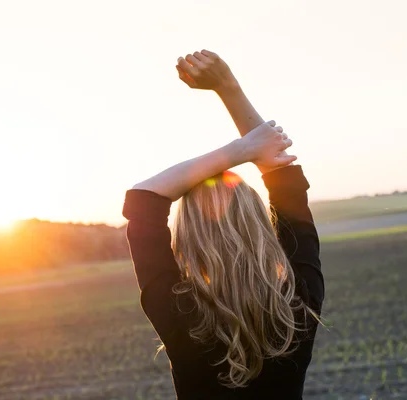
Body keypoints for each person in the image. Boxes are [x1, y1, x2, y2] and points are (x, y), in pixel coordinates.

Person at [122, 50, 324, 399]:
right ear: (260, 224)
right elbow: (284, 177)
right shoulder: (298, 301)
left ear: (187, 239)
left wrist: (239, 151)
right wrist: (228, 88)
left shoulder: (178, 311)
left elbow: (144, 199)